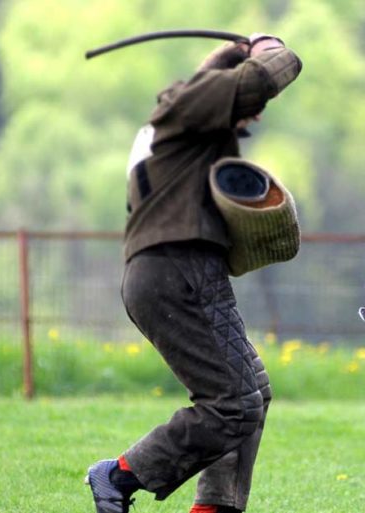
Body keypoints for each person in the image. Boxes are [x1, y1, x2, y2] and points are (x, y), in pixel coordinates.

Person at [85, 33, 302, 513]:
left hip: (163, 271)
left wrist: (231, 59)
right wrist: (267, 46)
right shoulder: (187, 107)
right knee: (234, 403)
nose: (251, 115)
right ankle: (118, 476)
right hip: (178, 269)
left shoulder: (170, 127)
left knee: (249, 392)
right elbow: (272, 71)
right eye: (244, 107)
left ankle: (215, 506)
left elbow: (233, 87)